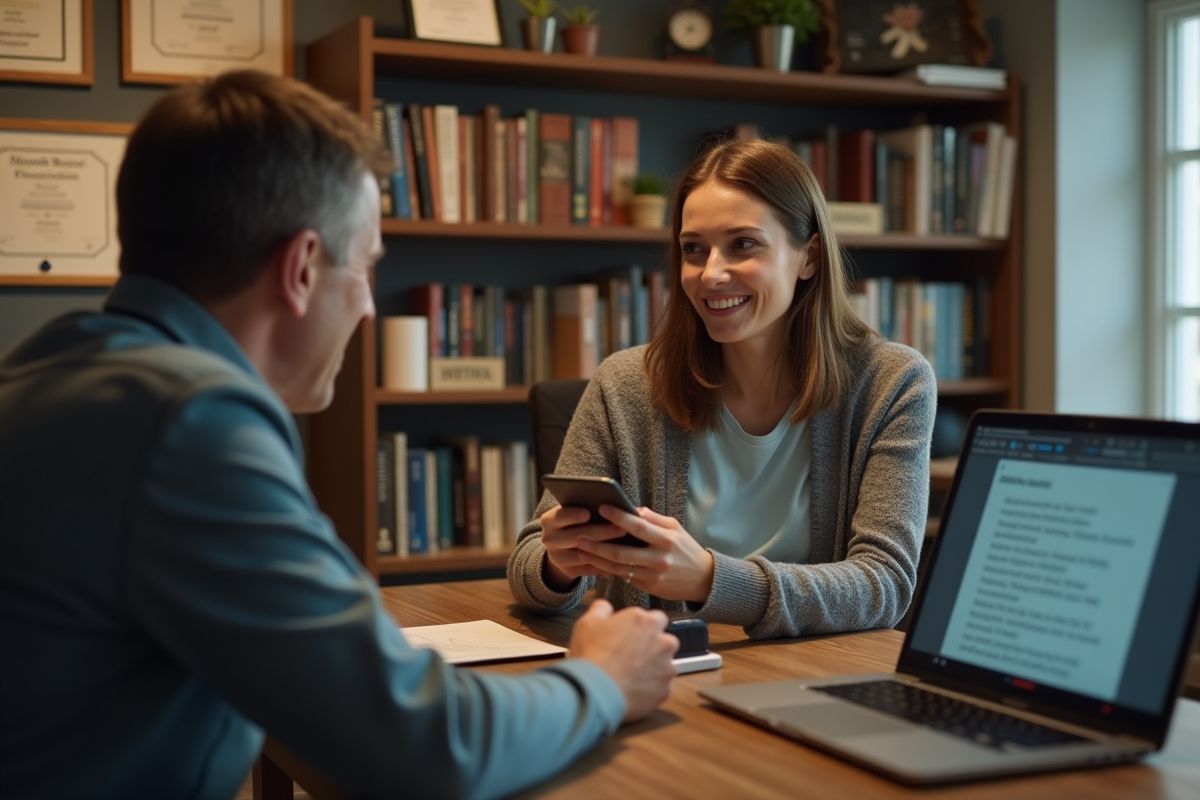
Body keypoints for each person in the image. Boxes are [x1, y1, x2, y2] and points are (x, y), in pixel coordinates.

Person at [0, 70, 678, 800]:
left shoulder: (49, 369)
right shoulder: (191, 424)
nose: (365, 312)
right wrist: (601, 680)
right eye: (365, 268)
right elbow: (425, 746)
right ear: (299, 269)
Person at [509, 137, 937, 639]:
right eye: (694, 249)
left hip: (811, 676)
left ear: (810, 257)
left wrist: (711, 579)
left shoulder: (892, 383)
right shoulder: (626, 384)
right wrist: (559, 564)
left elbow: (883, 585)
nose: (710, 273)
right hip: (661, 675)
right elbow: (527, 566)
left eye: (743, 244)